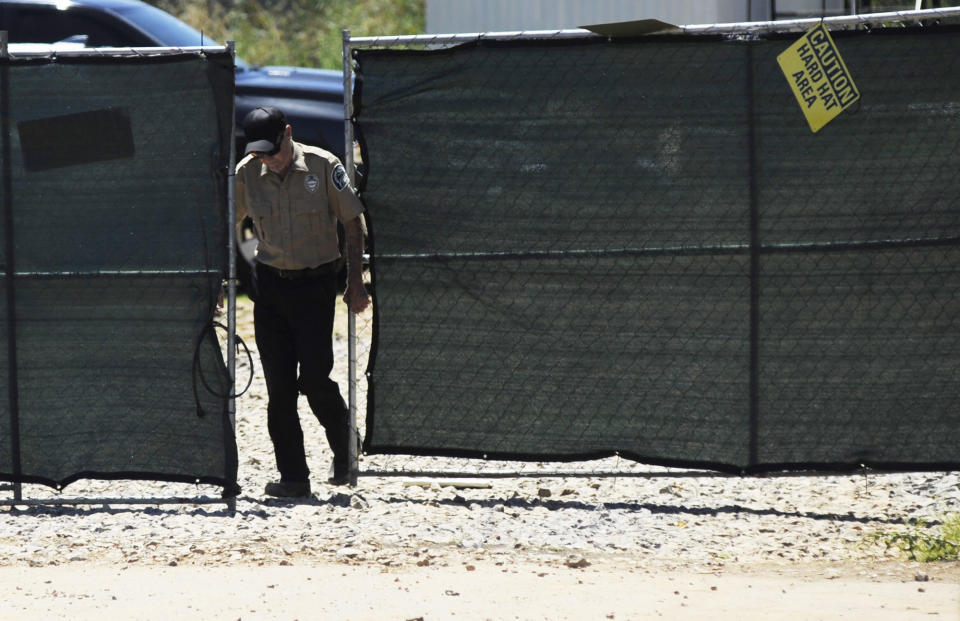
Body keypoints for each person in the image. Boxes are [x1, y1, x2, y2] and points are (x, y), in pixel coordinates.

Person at [235, 106, 370, 497]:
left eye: (272, 151)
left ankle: (346, 446)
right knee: (279, 389)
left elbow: (352, 220)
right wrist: (219, 282)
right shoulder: (247, 173)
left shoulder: (322, 165)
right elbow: (226, 220)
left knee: (313, 379)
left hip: (314, 286)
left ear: (288, 134)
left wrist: (355, 281)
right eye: (259, 153)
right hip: (270, 289)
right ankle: (293, 477)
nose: (268, 160)